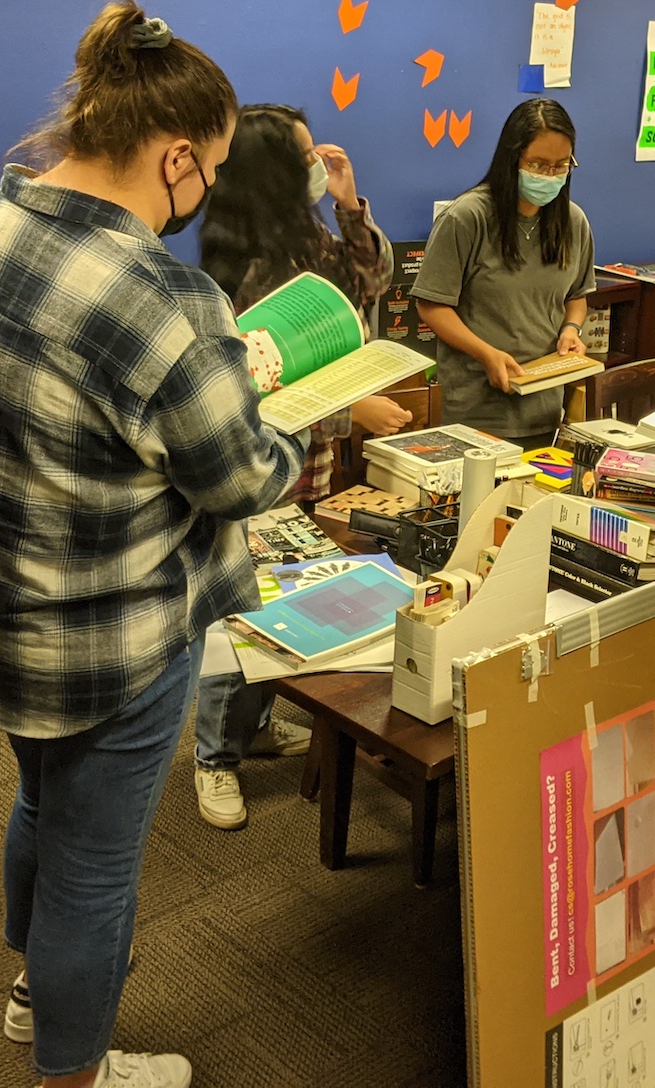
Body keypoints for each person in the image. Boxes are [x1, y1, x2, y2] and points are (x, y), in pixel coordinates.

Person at [0, 0, 305, 1088]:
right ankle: (73, 1072)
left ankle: (35, 991)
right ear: (175, 156)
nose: (211, 192)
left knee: (42, 802)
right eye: (211, 170)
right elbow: (241, 477)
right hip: (104, 645)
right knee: (96, 874)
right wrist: (282, 419)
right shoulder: (160, 298)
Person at [192, 103, 409, 831]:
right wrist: (356, 411)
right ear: (274, 173)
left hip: (310, 469)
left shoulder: (307, 235)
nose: (321, 161)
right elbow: (262, 391)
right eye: (309, 155)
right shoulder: (246, 272)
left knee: (284, 600)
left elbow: (372, 288)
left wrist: (350, 205)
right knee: (245, 614)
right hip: (262, 470)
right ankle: (214, 757)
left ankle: (253, 727)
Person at [412, 98, 595, 449]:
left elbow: (576, 296)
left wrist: (571, 330)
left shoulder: (573, 222)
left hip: (544, 409)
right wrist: (486, 353)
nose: (549, 176)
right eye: (539, 165)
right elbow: (432, 306)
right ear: (513, 159)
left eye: (561, 167)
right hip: (477, 412)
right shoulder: (467, 218)